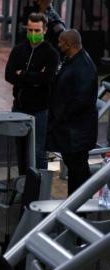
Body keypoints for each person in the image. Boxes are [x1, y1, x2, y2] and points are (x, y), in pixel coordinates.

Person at [4, 12, 59, 170]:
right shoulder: (18, 50)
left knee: (38, 151)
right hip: (19, 108)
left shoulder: (51, 54)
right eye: (31, 30)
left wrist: (23, 74)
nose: (33, 34)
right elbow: (9, 75)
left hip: (40, 110)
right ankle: (23, 185)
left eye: (37, 31)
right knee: (20, 151)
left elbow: (46, 79)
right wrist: (34, 78)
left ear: (45, 30)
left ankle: (40, 188)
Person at [48, 29, 98, 194]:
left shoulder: (83, 67)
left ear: (68, 44)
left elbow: (81, 101)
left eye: (61, 42)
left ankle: (80, 208)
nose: (58, 44)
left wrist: (61, 115)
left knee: (79, 170)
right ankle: (74, 206)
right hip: (71, 131)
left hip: (77, 133)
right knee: (75, 170)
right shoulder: (72, 60)